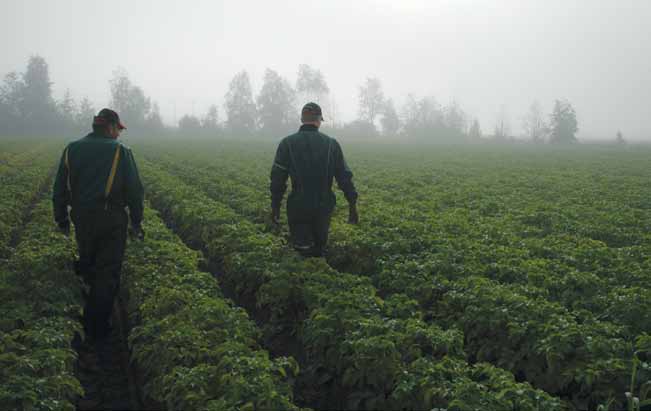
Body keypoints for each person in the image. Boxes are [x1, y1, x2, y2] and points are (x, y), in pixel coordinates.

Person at [53, 108, 144, 340]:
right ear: (110, 127)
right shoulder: (120, 151)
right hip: (111, 219)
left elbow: (59, 190)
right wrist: (136, 222)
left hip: (82, 219)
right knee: (108, 272)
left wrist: (62, 219)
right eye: (117, 130)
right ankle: (96, 328)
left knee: (89, 263)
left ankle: (85, 308)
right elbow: (135, 191)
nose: (118, 135)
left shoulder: (71, 149)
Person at [270, 102, 358, 257]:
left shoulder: (287, 143)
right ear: (318, 121)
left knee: (302, 252)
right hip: (323, 207)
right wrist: (352, 204)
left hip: (298, 206)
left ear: (302, 119)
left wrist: (275, 206)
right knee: (319, 251)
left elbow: (278, 179)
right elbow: (344, 177)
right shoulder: (331, 144)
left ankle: (302, 275)